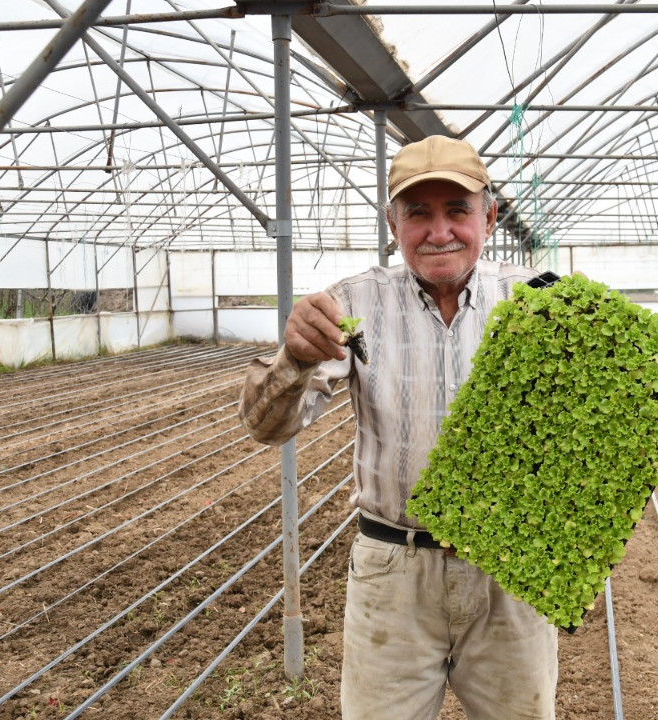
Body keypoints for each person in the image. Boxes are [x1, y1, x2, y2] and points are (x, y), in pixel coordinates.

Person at [238, 135, 557, 719]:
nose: (439, 232)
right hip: (394, 572)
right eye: (418, 214)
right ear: (392, 223)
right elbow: (265, 427)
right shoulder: (352, 305)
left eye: (457, 210)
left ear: (487, 216)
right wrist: (294, 360)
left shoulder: (539, 299)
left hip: (508, 574)